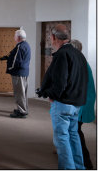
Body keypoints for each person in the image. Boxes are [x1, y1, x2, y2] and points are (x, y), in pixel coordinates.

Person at [36, 24, 88, 169]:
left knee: (62, 138)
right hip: (77, 104)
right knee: (73, 135)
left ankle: (68, 168)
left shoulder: (62, 54)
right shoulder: (79, 54)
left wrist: (51, 95)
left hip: (63, 103)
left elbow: (60, 82)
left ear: (53, 37)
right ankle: (79, 167)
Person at [70, 39, 95, 170]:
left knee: (75, 131)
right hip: (83, 101)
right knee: (72, 130)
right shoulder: (80, 60)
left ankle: (86, 163)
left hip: (82, 103)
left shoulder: (78, 63)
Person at [1, 29, 31, 118]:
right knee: (23, 93)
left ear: (18, 37)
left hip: (18, 73)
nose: (14, 37)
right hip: (24, 72)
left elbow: (16, 60)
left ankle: (21, 112)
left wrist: (10, 68)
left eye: (14, 36)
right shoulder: (26, 45)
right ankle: (24, 109)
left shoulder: (20, 46)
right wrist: (7, 57)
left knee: (19, 93)